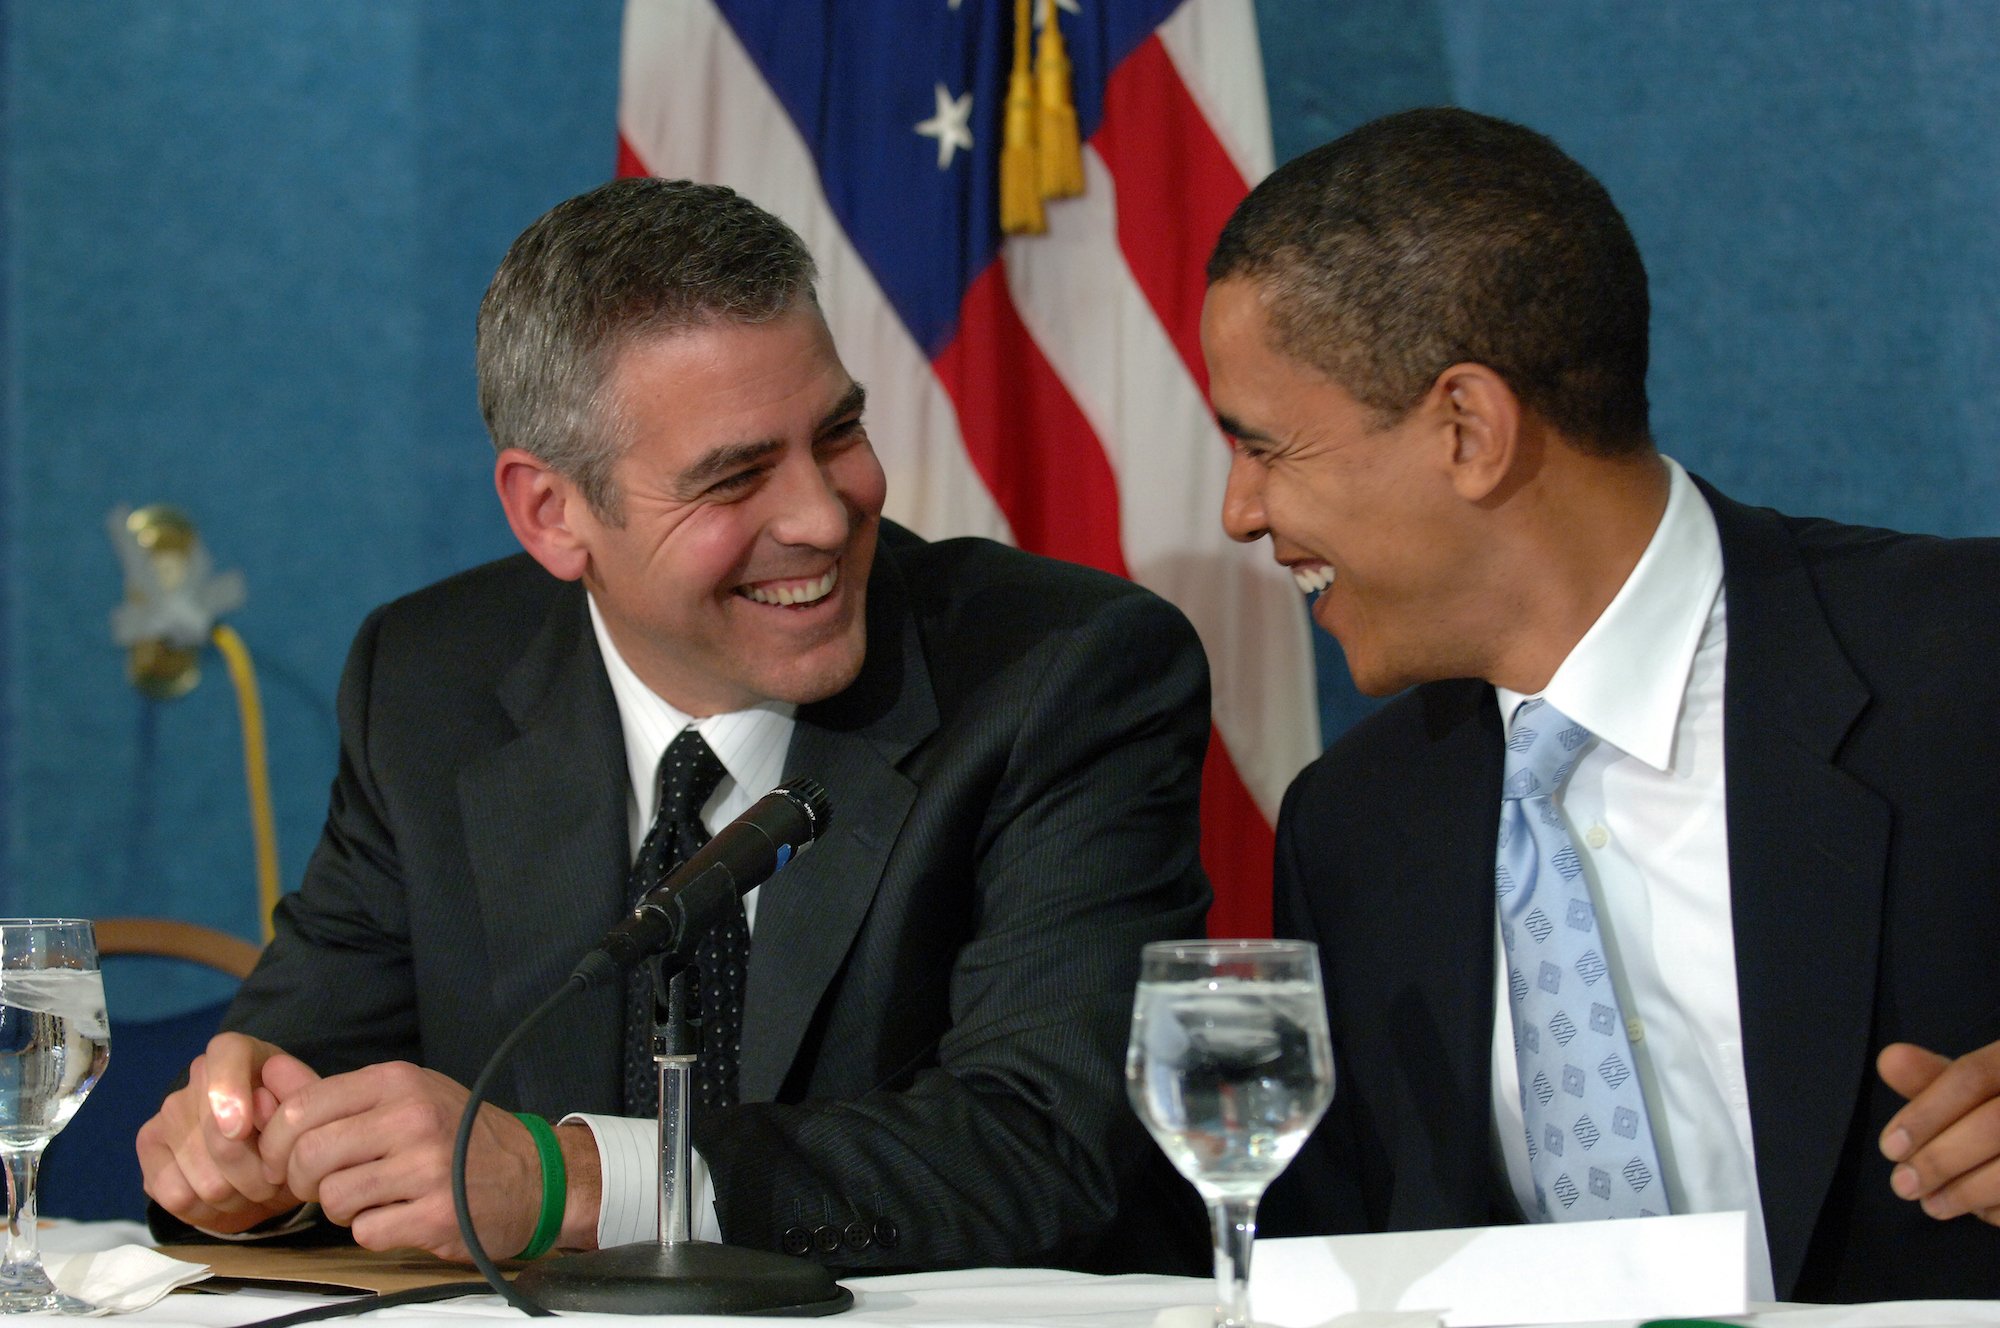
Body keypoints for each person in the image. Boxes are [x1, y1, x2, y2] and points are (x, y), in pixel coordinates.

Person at [137, 177, 1212, 1275]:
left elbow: (1045, 1142)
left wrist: (573, 1184)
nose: (823, 514)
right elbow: (303, 1075)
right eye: (734, 477)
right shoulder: (429, 683)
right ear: (552, 513)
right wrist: (245, 1162)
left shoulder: (1062, 671)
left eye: (837, 431)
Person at [1200, 106, 2000, 1303]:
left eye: (1264, 448)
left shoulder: (1965, 659)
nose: (1238, 511)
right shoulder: (1354, 827)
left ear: (1467, 428)